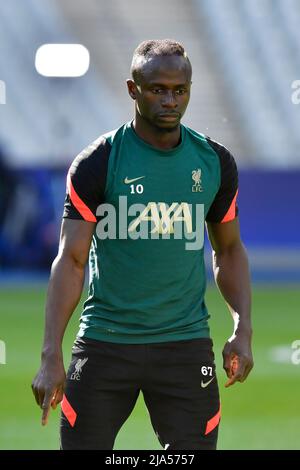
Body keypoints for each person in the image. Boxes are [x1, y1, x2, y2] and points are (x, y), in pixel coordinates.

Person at [32, 39, 253, 450]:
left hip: (185, 346)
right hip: (104, 343)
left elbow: (229, 250)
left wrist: (242, 327)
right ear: (133, 89)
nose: (170, 100)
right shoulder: (98, 161)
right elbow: (72, 259)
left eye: (180, 90)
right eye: (157, 89)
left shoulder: (214, 161)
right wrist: (51, 354)